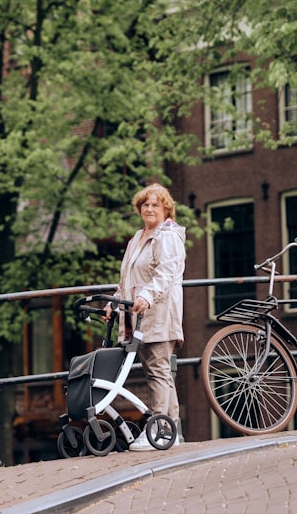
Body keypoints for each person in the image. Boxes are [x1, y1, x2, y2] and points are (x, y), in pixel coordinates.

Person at [106, 183, 186, 451]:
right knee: (160, 372)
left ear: (166, 208)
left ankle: (158, 430)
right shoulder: (137, 238)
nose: (149, 208)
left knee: (158, 371)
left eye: (155, 204)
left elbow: (166, 273)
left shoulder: (168, 236)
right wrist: (114, 303)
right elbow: (126, 280)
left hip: (159, 312)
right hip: (138, 315)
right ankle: (171, 431)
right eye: (145, 205)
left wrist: (147, 297)